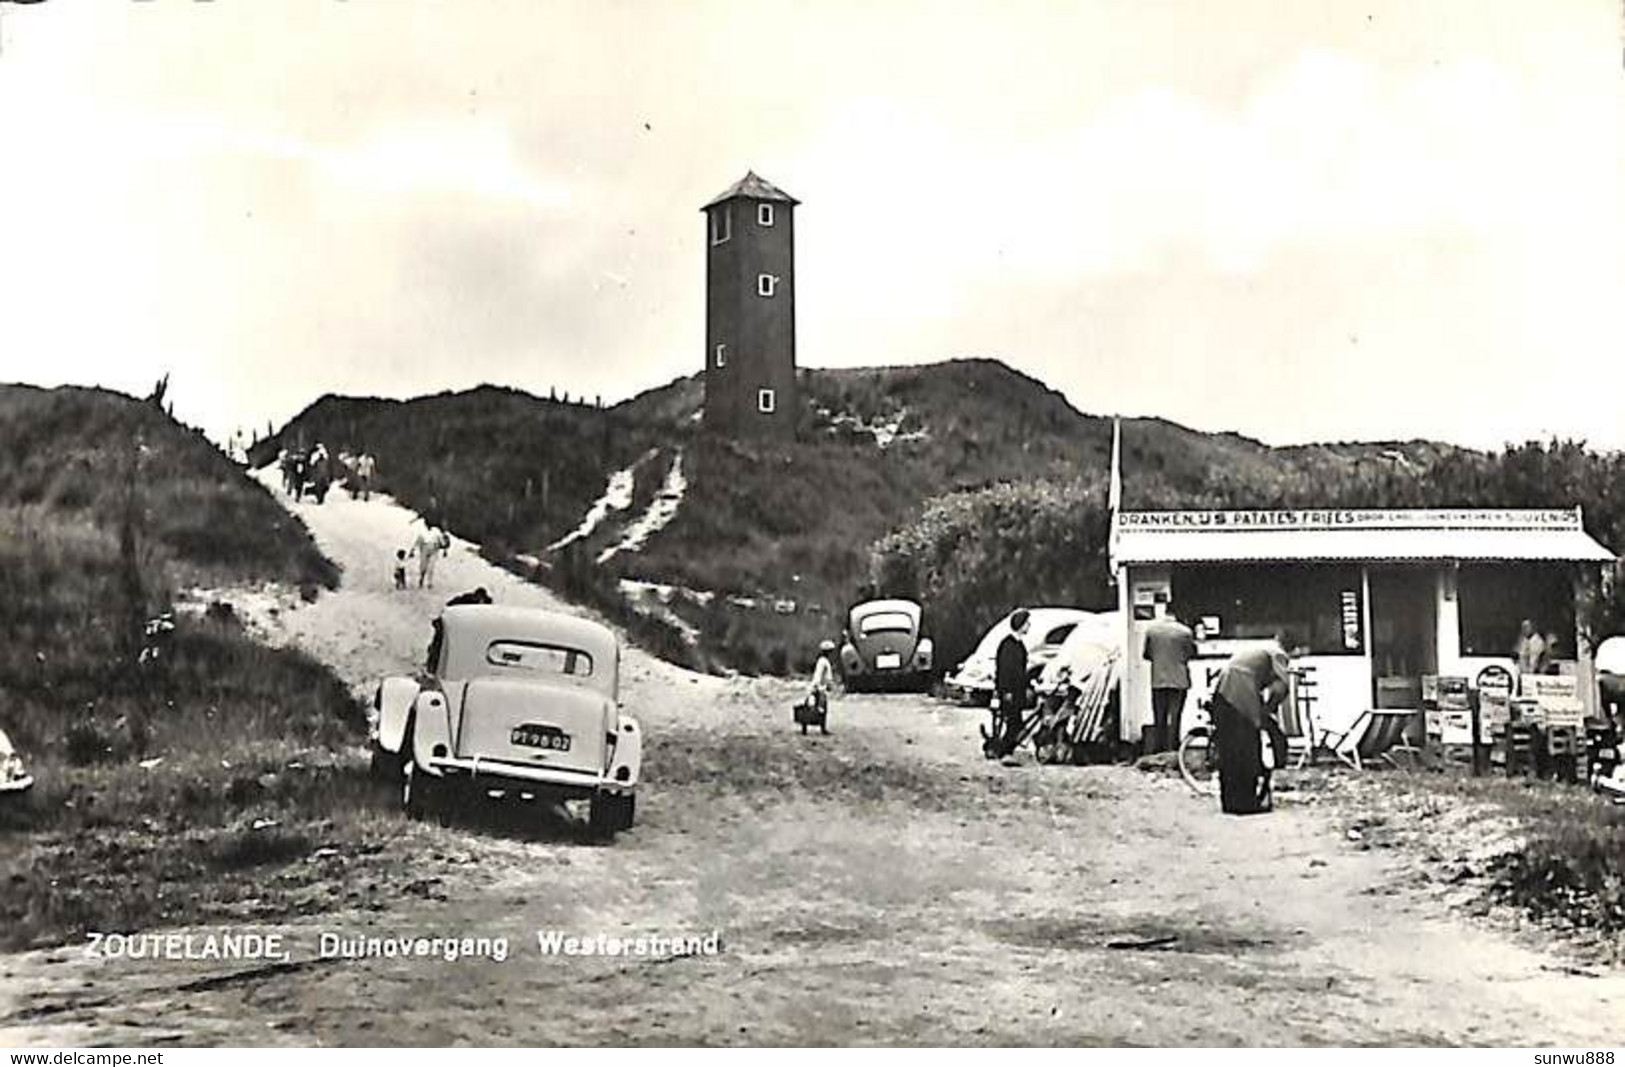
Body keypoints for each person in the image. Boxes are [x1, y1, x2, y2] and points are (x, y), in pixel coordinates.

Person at [1209, 638, 1293, 816]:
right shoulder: (1278, 654)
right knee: (1246, 748)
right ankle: (1246, 802)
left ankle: (1230, 802)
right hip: (1240, 691)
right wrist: (1268, 709)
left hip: (1223, 692)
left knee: (1229, 750)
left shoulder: (1261, 648)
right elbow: (1280, 688)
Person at [1142, 605, 1197, 752]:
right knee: (1175, 716)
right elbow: (1191, 653)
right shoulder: (1185, 632)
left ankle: (1158, 749)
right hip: (1179, 680)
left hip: (1158, 679)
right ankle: (1173, 748)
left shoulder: (1152, 631)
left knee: (1159, 715)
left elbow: (1146, 654)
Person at [993, 609, 1032, 759]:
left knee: (1016, 723)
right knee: (1014, 723)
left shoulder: (1019, 645)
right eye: (1027, 623)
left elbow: (1021, 670)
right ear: (1021, 625)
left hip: (1018, 691)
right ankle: (1004, 751)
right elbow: (1004, 670)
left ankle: (1006, 749)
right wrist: (1006, 690)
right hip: (1010, 691)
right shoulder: (1008, 645)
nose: (1029, 626)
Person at [808, 639, 837, 736]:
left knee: (821, 708)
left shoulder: (822, 661)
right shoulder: (823, 662)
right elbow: (820, 675)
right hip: (820, 688)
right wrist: (818, 686)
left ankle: (822, 728)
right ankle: (822, 728)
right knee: (822, 708)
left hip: (820, 687)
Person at [410, 521, 449, 589]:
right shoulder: (422, 531)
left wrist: (445, 550)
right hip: (424, 549)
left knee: (431, 567)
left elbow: (441, 541)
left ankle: (429, 582)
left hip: (434, 549)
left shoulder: (436, 531)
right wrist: (412, 550)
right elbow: (418, 541)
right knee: (423, 566)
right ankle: (421, 578)